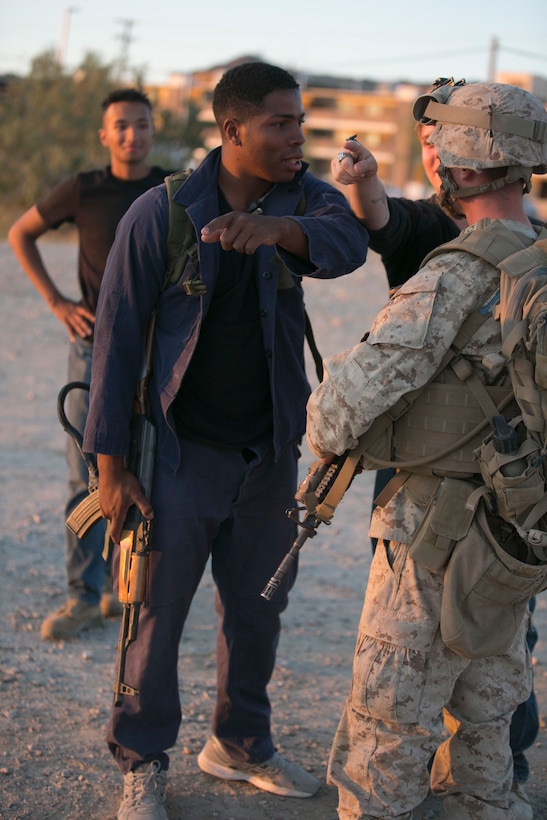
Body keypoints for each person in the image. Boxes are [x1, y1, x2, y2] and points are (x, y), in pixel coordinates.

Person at [82, 62, 369, 819]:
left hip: (269, 453)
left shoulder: (306, 196)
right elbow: (112, 343)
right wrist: (110, 470)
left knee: (256, 613)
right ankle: (141, 757)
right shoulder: (162, 213)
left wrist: (279, 229)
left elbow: (345, 245)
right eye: (280, 123)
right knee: (156, 615)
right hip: (179, 455)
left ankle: (239, 745)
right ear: (233, 130)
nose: (295, 136)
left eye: (300, 122)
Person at [306, 80, 547, 819]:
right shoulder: (537, 259)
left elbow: (336, 415)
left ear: (462, 172)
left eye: (440, 156)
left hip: (430, 537)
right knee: (484, 729)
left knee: (385, 735)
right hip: (513, 534)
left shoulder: (456, 272)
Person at [8, 89, 173, 641]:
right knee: (87, 472)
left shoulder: (173, 188)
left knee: (148, 469)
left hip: (160, 353)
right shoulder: (84, 188)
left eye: (142, 124)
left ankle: (119, 589)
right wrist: (57, 302)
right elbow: (21, 233)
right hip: (94, 350)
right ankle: (82, 592)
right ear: (105, 135)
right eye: (121, 126)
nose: (132, 134)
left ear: (155, 129)